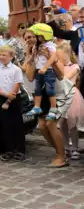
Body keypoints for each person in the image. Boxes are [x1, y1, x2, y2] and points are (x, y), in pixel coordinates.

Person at [22, 29, 68, 168]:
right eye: (26, 38)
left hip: (59, 92)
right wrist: (31, 57)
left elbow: (61, 75)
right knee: (42, 127)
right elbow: (30, 77)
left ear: (38, 37)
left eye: (30, 37)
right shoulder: (33, 54)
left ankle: (61, 156)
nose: (28, 40)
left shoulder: (53, 50)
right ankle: (60, 151)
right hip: (43, 95)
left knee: (50, 124)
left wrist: (50, 59)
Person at [0, 45, 26, 161]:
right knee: (6, 125)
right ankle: (9, 149)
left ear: (11, 56)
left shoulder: (16, 69)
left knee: (17, 125)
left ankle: (20, 150)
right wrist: (6, 96)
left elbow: (17, 85)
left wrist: (10, 99)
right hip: (3, 98)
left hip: (15, 98)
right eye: (0, 55)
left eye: (4, 55)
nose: (1, 57)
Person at [56, 42, 84, 160]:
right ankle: (66, 146)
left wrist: (58, 68)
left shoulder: (75, 66)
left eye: (59, 54)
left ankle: (75, 148)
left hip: (71, 96)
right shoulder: (58, 66)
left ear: (66, 53)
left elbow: (65, 80)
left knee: (72, 123)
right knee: (62, 125)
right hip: (60, 96)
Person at [26, 23, 58, 120]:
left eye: (37, 35)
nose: (36, 37)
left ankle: (53, 109)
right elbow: (33, 57)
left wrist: (45, 67)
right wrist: (30, 58)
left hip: (48, 71)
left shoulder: (50, 45)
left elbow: (53, 57)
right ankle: (37, 107)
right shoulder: (36, 46)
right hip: (39, 71)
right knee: (37, 89)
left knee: (50, 90)